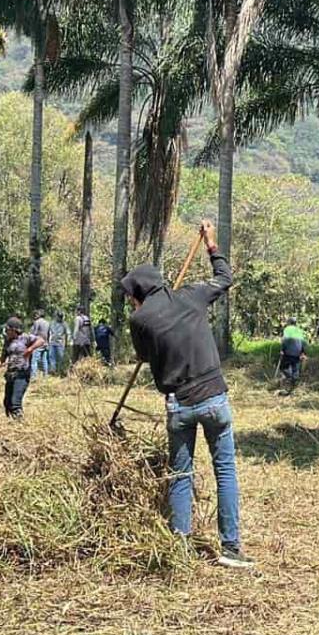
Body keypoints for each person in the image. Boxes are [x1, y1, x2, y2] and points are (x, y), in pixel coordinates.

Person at [120, 219, 253, 570]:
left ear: (138, 295)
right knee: (224, 470)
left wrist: (149, 322)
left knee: (181, 474)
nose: (132, 303)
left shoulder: (141, 321)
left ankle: (179, 546)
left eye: (131, 298)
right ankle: (231, 548)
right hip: (214, 398)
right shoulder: (191, 296)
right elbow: (224, 279)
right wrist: (211, 244)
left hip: (179, 405)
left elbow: (144, 357)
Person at [0, 316, 46, 419]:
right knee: (7, 403)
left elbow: (41, 340)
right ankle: (11, 423)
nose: (6, 332)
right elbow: (1, 360)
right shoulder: (7, 342)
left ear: (13, 330)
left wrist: (30, 349)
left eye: (7, 329)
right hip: (10, 375)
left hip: (22, 374)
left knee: (15, 403)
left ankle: (19, 425)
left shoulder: (26, 338)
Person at [279, 317, 307, 390]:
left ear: (289, 322)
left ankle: (290, 378)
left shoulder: (287, 329)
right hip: (298, 351)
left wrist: (282, 350)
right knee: (295, 366)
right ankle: (294, 382)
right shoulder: (299, 330)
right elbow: (303, 342)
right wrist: (303, 352)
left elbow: (285, 340)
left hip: (289, 351)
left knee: (283, 367)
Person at [48, 311, 69, 375]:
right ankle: (53, 370)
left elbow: (67, 334)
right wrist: (48, 341)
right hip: (52, 342)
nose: (60, 318)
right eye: (59, 316)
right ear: (56, 316)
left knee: (61, 358)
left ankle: (62, 370)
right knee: (52, 357)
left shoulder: (64, 324)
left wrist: (66, 343)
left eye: (61, 317)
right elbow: (49, 332)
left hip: (60, 343)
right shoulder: (52, 323)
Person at [30, 310, 50, 376]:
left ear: (39, 315)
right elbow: (49, 334)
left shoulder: (37, 322)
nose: (35, 316)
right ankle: (46, 374)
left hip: (38, 343)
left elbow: (34, 334)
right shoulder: (47, 323)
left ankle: (33, 376)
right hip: (46, 343)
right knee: (44, 360)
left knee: (34, 361)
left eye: (37, 314)